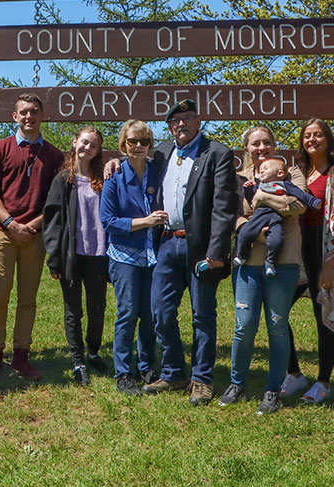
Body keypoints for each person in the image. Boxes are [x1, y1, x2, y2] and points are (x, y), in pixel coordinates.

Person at [137, 99, 240, 406]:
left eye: (187, 118)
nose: (181, 124)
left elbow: (224, 207)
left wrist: (217, 251)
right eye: (175, 121)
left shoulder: (217, 153)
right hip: (166, 243)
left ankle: (202, 378)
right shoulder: (163, 152)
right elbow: (135, 163)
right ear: (169, 126)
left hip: (201, 248)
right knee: (160, 312)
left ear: (198, 121)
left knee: (202, 315)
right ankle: (172, 372)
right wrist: (112, 162)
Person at [219, 125, 306, 415]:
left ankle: (273, 390)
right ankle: (236, 383)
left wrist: (262, 199)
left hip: (283, 263)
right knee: (244, 326)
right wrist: (258, 233)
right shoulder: (238, 179)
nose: (261, 148)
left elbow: (298, 205)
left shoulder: (290, 173)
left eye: (267, 142)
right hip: (247, 264)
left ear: (274, 145)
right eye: (255, 144)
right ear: (246, 148)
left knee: (277, 325)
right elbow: (232, 216)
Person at [0, 93, 64, 382]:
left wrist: (32, 226)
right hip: (1, 230)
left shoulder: (53, 155)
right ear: (14, 117)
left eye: (34, 112)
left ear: (43, 116)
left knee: (28, 298)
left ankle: (21, 356)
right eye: (23, 112)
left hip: (35, 234)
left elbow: (56, 200)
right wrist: (10, 223)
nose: (29, 117)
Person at [282, 119, 334, 405]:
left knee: (322, 313)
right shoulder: (297, 172)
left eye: (318, 135)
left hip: (325, 250)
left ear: (328, 139)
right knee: (277, 310)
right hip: (298, 249)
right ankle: (294, 373)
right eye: (307, 135)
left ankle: (323, 381)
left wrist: (330, 262)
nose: (312, 140)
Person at [97, 121, 165, 396]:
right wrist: (144, 222)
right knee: (127, 313)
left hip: (154, 253)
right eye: (132, 141)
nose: (138, 146)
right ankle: (124, 372)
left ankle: (147, 365)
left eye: (144, 142)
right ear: (123, 145)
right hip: (124, 254)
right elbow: (108, 220)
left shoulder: (158, 173)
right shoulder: (114, 176)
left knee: (150, 314)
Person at [43, 126, 110, 386]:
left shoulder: (103, 178)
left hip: (98, 253)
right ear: (74, 143)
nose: (87, 148)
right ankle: (77, 360)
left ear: (98, 151)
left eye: (93, 145)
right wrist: (54, 259)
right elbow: (52, 223)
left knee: (97, 307)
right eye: (84, 143)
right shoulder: (63, 180)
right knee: (73, 311)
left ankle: (93, 352)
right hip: (72, 254)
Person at [233, 157, 321, 277]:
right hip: (260, 216)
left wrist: (314, 202)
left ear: (280, 173)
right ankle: (242, 256)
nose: (262, 171)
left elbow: (301, 195)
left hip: (277, 218)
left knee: (276, 240)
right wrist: (248, 189)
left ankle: (270, 262)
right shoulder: (259, 185)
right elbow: (250, 200)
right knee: (245, 233)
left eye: (266, 169)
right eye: (261, 169)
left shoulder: (286, 185)